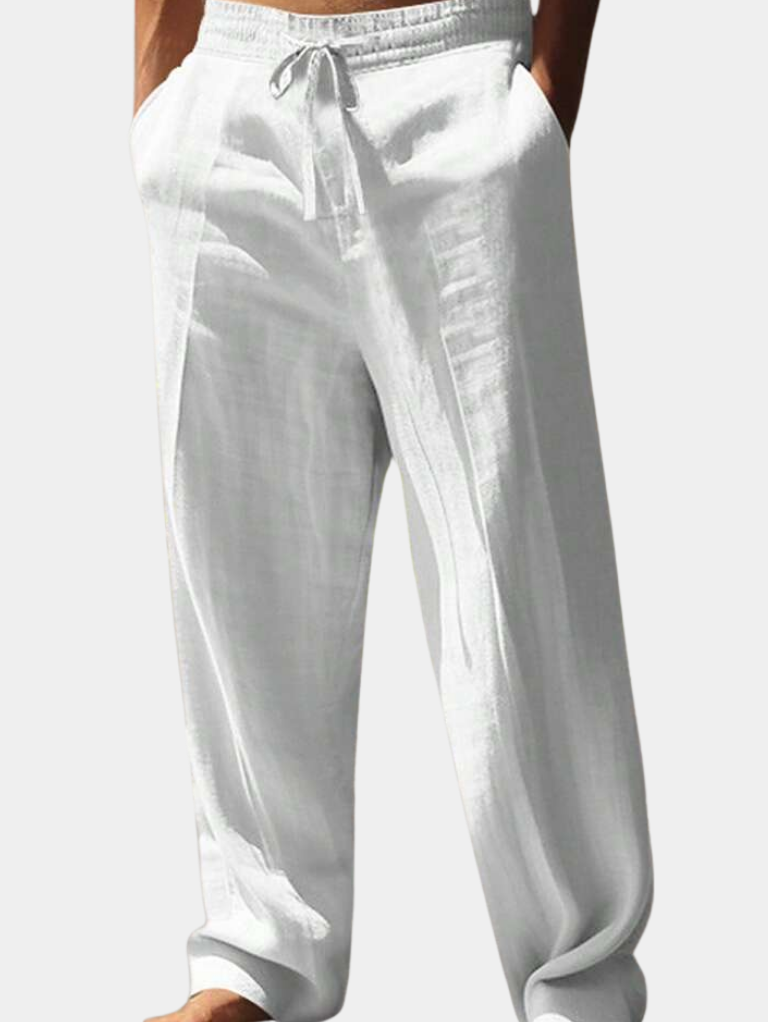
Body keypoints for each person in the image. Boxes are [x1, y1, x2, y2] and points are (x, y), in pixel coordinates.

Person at [130, 0, 654, 1019]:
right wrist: (160, 87)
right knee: (241, 581)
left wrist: (546, 92)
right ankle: (255, 963)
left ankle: (579, 985)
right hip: (230, 91)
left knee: (518, 583)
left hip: (455, 87)